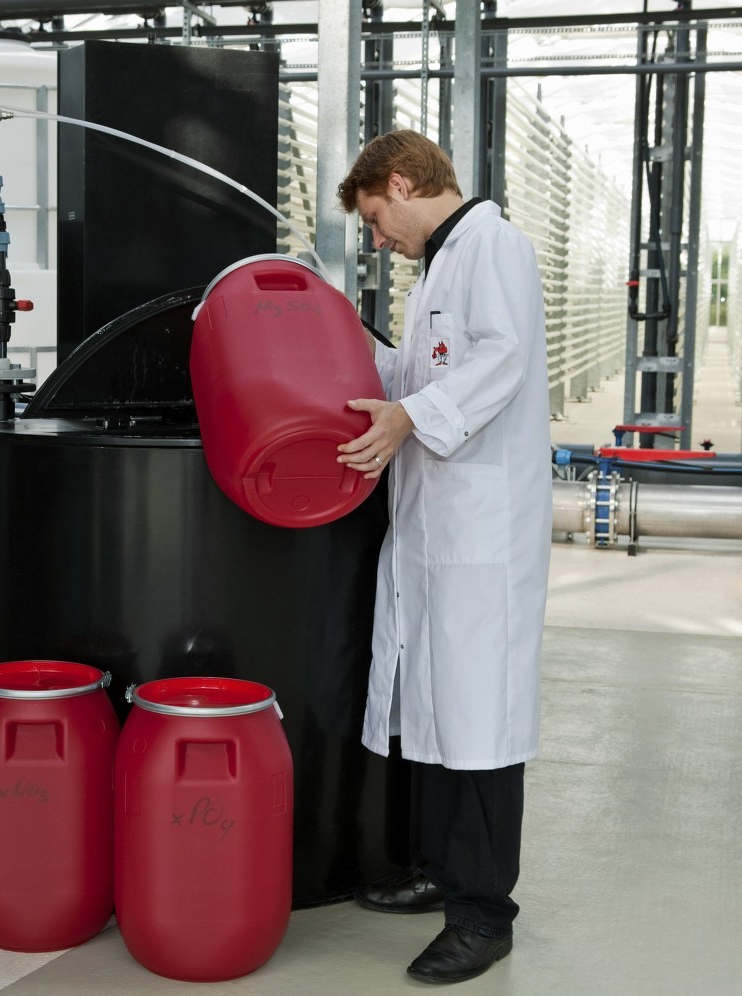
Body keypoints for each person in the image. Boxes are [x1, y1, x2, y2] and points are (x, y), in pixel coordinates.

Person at [333, 129, 552, 984]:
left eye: (378, 218)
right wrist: (351, 344)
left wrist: (412, 418)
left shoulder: (493, 247)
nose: (378, 238)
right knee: (430, 711)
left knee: (481, 723)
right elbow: (418, 377)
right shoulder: (439, 271)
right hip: (433, 530)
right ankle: (440, 868)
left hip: (481, 537)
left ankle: (484, 915)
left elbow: (501, 359)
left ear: (401, 182)